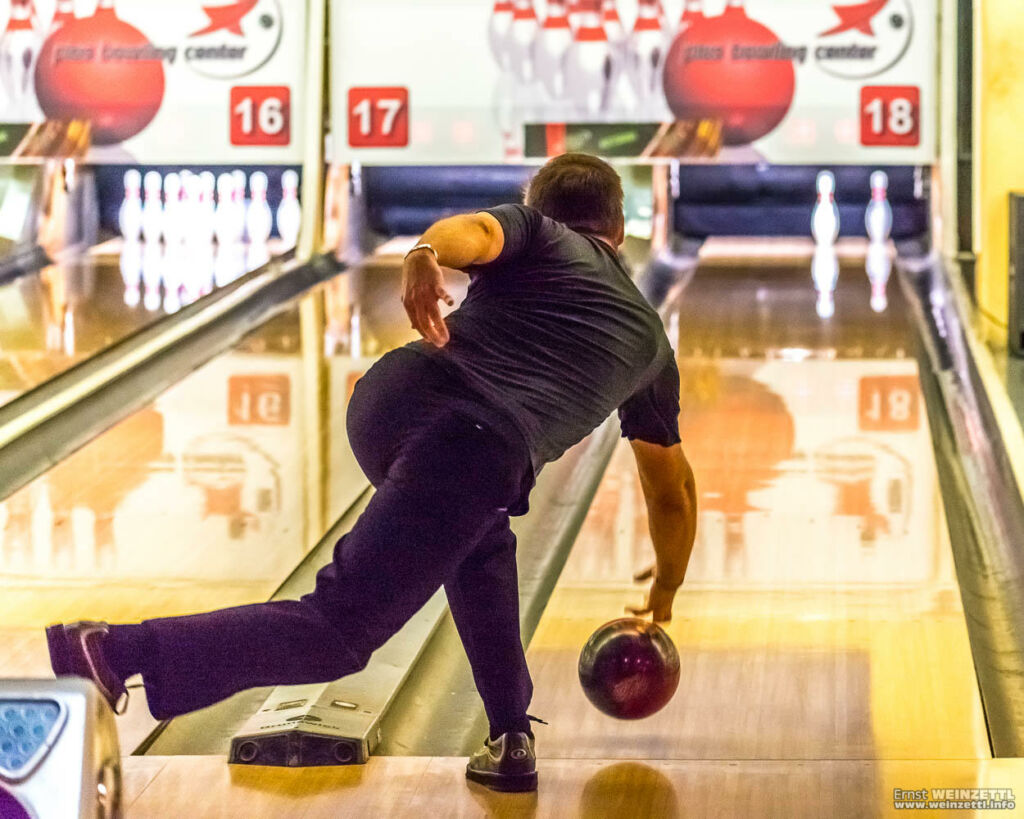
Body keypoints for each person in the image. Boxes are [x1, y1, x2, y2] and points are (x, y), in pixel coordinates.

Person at [46, 153, 697, 794]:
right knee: (338, 630)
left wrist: (422, 253)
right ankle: (110, 651)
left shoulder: (534, 234)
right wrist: (664, 591)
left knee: (480, 534)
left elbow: (469, 235)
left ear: (539, 204)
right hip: (472, 443)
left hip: (392, 395)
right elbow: (672, 491)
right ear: (619, 231)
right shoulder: (647, 343)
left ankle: (509, 732)